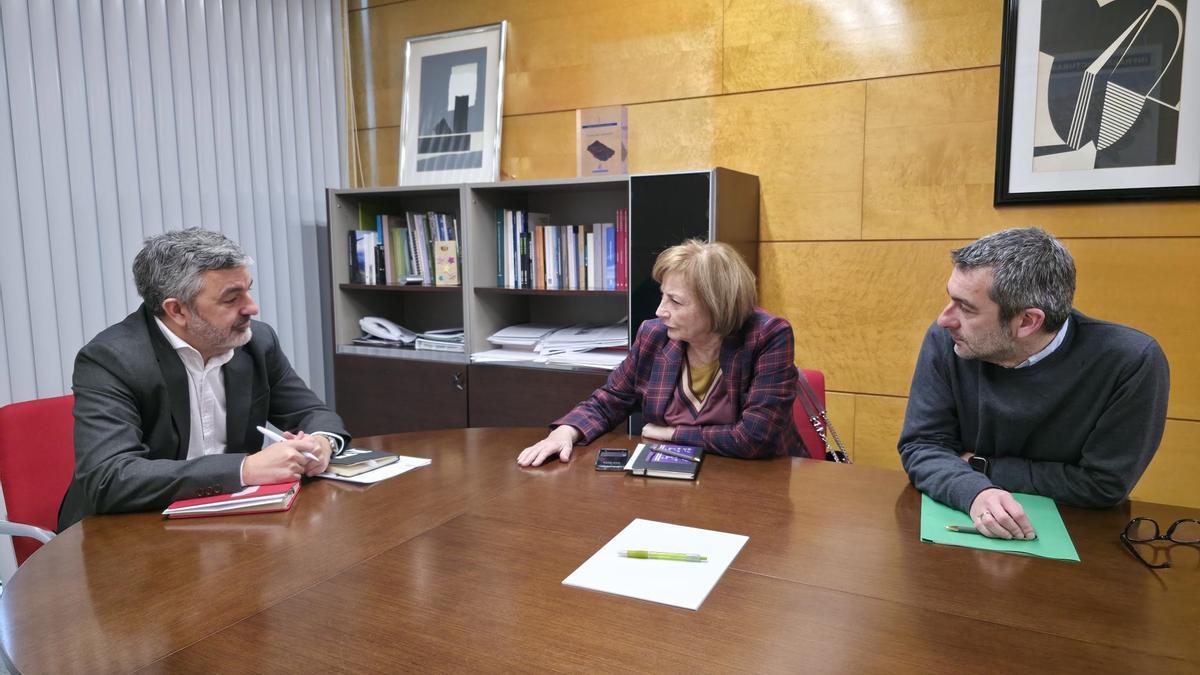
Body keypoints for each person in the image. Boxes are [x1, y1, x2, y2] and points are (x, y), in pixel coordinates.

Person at [58, 228, 350, 529]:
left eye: (248, 290)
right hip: (128, 531)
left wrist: (321, 443)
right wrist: (244, 469)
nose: (251, 307)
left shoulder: (256, 343)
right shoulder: (112, 359)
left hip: (228, 524)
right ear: (177, 310)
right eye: (231, 299)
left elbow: (312, 413)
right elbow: (108, 477)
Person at [898, 227, 1169, 540]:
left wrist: (982, 466)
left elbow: (1103, 484)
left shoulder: (1131, 362)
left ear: (1027, 321)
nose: (944, 319)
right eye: (950, 298)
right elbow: (922, 445)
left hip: (1081, 541)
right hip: (959, 532)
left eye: (967, 308)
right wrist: (974, 493)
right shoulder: (950, 339)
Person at [517, 239, 800, 466]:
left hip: (757, 482)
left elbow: (754, 438)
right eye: (662, 295)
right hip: (673, 479)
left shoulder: (767, 336)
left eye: (675, 301)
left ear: (717, 307)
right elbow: (610, 399)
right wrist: (566, 431)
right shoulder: (654, 335)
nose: (659, 311)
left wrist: (672, 434)